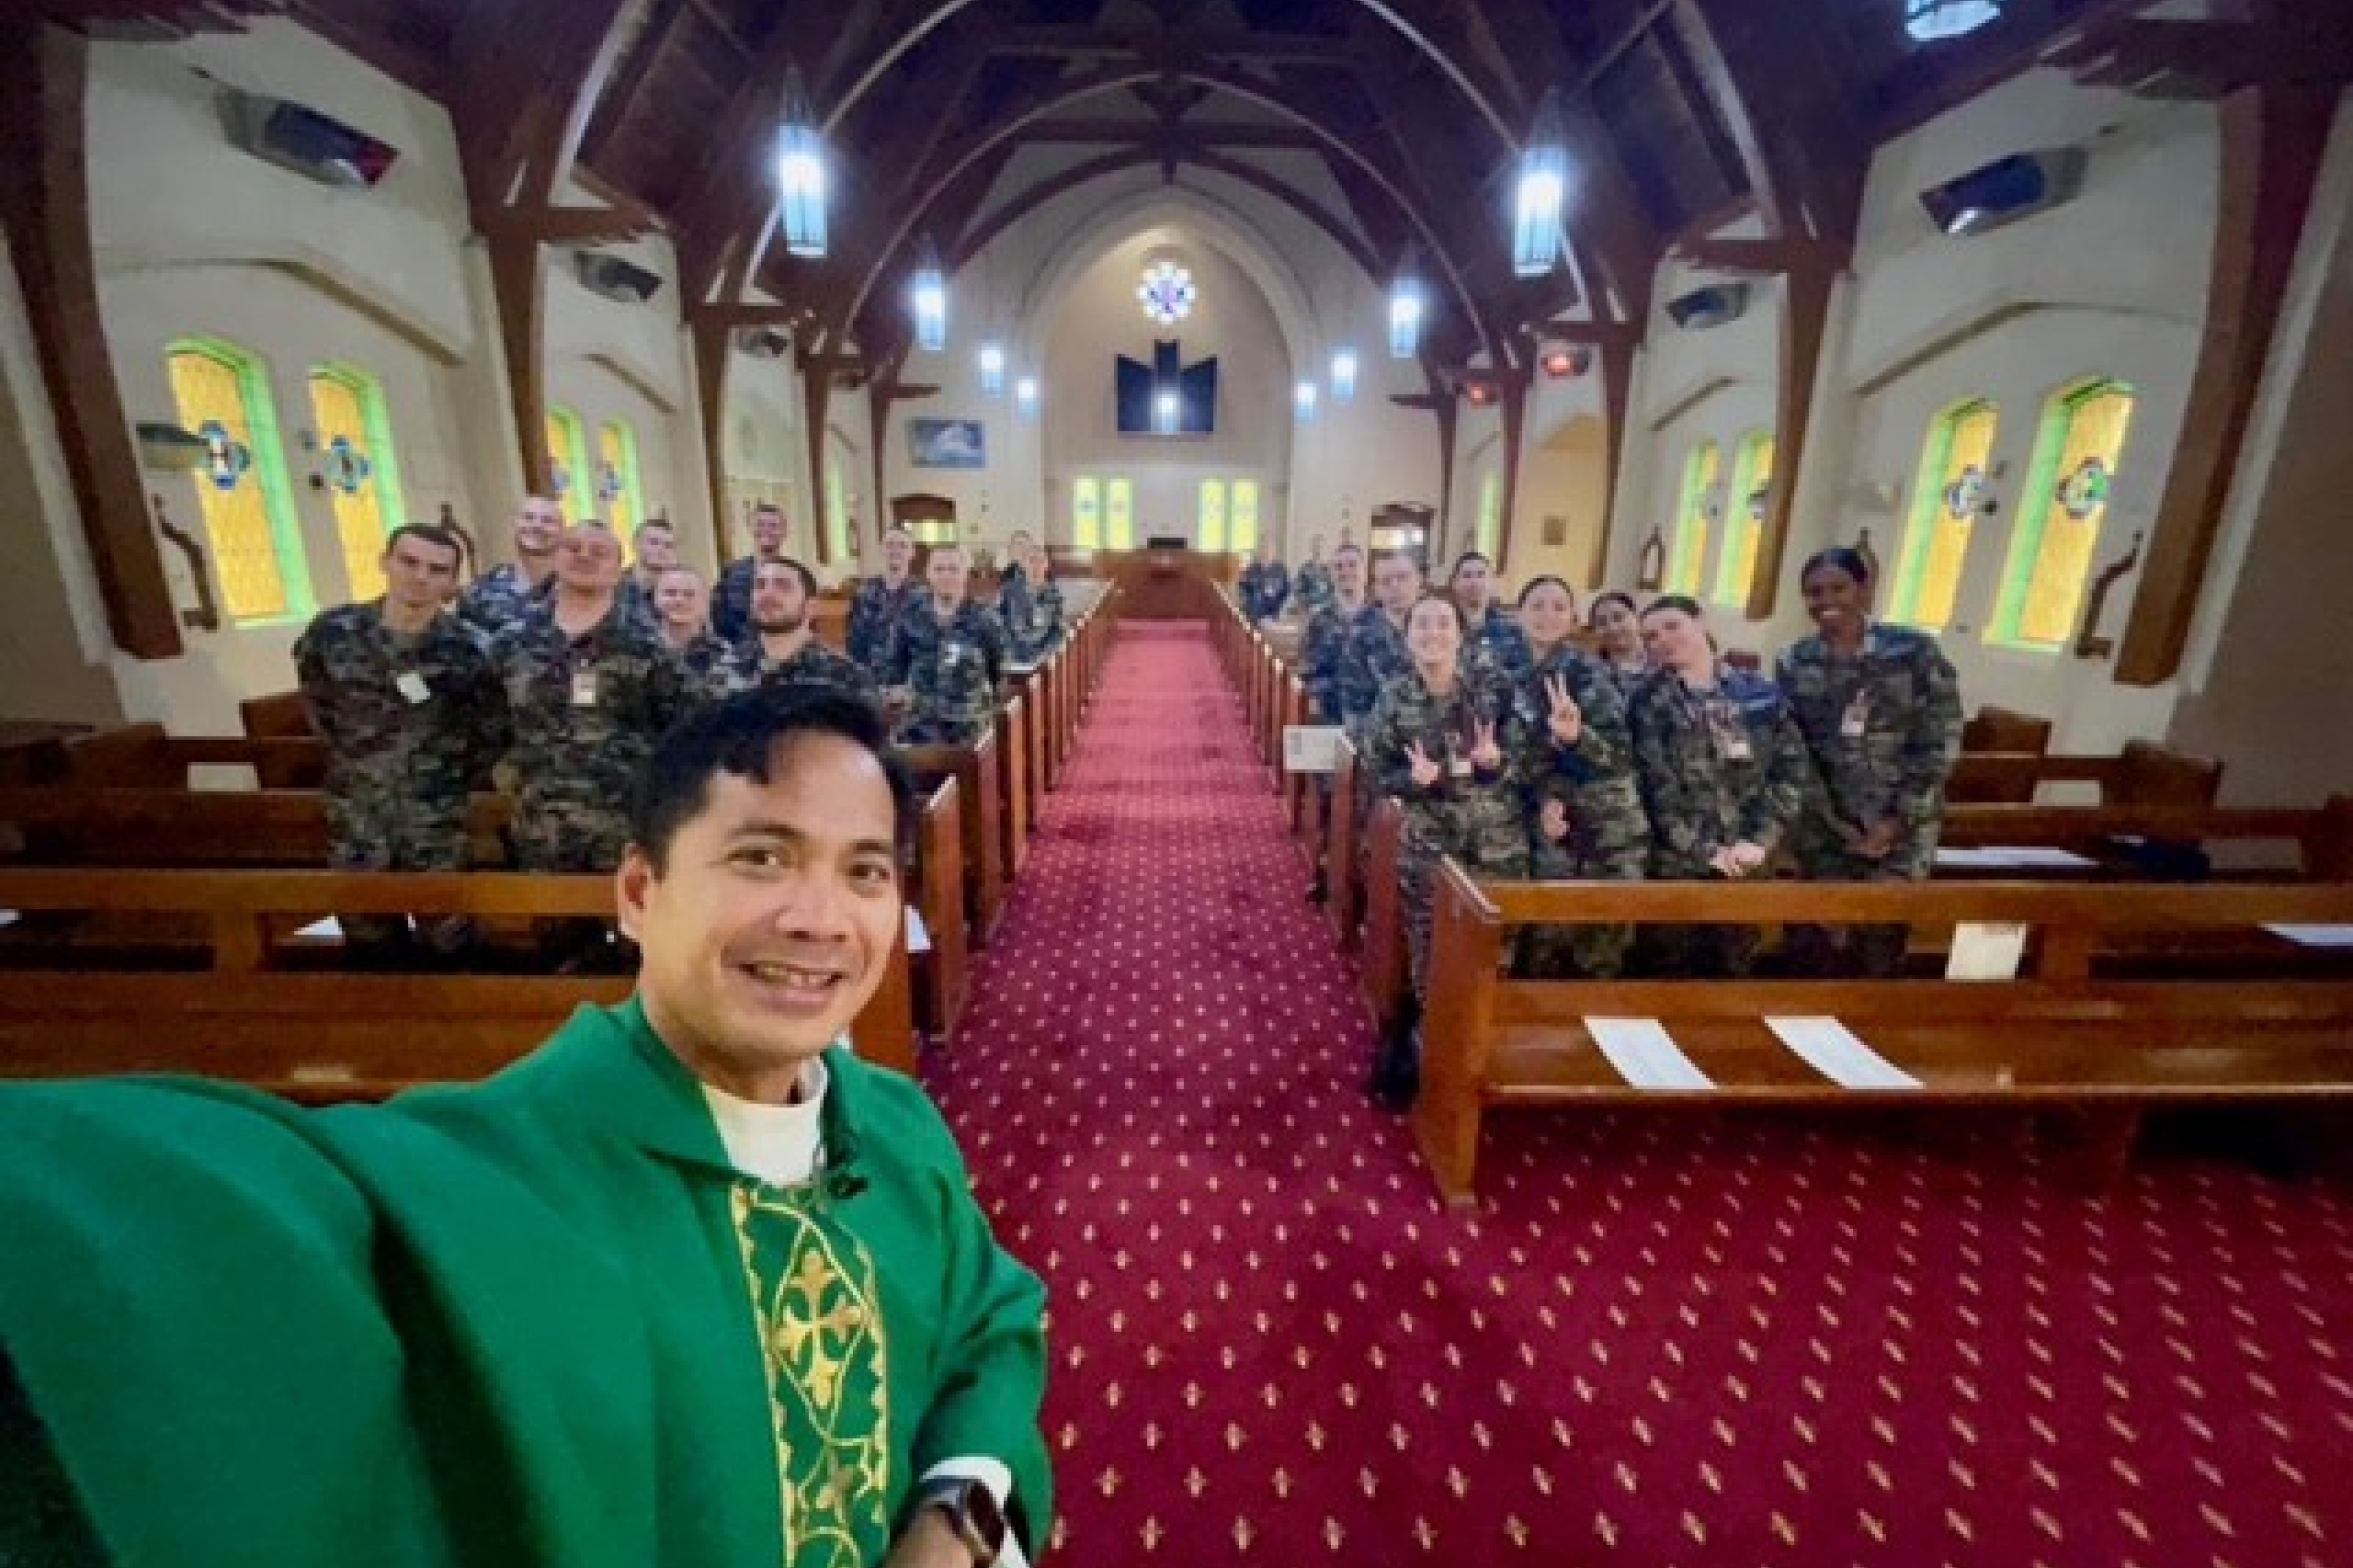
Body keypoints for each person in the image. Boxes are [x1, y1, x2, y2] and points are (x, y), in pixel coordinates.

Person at [0, 690, 1054, 1568]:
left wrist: (956, 1509)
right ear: (638, 890)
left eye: (864, 870)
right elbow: (147, 1230)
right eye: (762, 856)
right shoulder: (480, 1178)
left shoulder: (896, 1123)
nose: (819, 916)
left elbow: (990, 1317)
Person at [293, 524, 507, 961]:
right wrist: (362, 760)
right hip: (357, 812)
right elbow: (319, 703)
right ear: (385, 562)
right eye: (409, 562)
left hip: (435, 816)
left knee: (447, 936)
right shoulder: (334, 633)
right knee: (366, 933)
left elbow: (492, 729)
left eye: (437, 569)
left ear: (451, 581)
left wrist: (444, 776)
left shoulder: (471, 648)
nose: (420, 577)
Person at [1360, 594, 1527, 1108]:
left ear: (1460, 633)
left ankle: (1486, 1056)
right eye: (1422, 624)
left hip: (1495, 843)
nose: (1433, 632)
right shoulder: (1395, 696)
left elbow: (1528, 760)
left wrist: (1496, 762)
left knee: (1497, 952)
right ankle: (1436, 1061)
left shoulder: (1495, 688)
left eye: (1443, 623)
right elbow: (1374, 769)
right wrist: (1410, 782)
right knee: (1431, 954)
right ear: (1407, 635)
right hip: (1429, 846)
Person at [1776, 547, 1964, 976]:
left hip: (1901, 825)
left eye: (1838, 588)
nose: (1826, 601)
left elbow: (1939, 741)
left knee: (1878, 946)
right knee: (1814, 947)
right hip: (1824, 828)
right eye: (1814, 592)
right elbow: (1794, 747)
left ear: (1863, 589)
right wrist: (1830, 820)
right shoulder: (1795, 660)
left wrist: (1897, 819)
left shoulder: (1913, 652)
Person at [492, 523, 694, 892]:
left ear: (618, 569)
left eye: (599, 552)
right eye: (574, 548)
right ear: (557, 558)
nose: (584, 557)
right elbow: (488, 723)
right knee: (551, 923)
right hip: (540, 824)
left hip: (625, 823)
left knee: (631, 924)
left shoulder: (646, 646)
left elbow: (683, 732)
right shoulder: (513, 642)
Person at [1626, 595, 1809, 977]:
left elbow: (1790, 772)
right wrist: (1704, 851)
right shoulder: (1645, 702)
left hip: (1748, 859)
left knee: (1732, 971)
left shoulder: (1759, 694)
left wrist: (1760, 840)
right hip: (1677, 864)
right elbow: (1654, 788)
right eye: (1651, 636)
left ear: (1700, 622)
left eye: (1673, 626)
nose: (1663, 640)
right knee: (1663, 973)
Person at [1508, 576, 1648, 980]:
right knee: (1546, 943)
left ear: (1573, 618)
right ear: (1519, 614)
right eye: (1537, 605)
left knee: (1598, 951)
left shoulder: (1588, 673)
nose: (1547, 615)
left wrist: (1576, 737)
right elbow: (1526, 756)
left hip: (1605, 828)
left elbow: (1619, 754)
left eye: (1558, 606)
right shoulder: (1517, 674)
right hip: (1555, 827)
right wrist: (1545, 797)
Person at [883, 543, 1008, 747]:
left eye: (953, 569)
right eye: (939, 569)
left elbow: (997, 673)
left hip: (970, 727)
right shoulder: (909, 616)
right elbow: (896, 669)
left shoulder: (985, 618)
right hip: (920, 727)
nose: (946, 575)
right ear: (928, 573)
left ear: (965, 574)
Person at [714, 556, 880, 709]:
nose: (767, 593)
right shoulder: (723, 670)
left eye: (783, 586)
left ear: (811, 607)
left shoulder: (846, 679)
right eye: (760, 585)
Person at [1337, 550, 1421, 734]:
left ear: (1418, 580)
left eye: (1402, 577)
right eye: (1386, 581)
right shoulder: (1360, 637)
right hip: (1382, 739)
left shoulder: (1437, 628)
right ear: (1376, 589)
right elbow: (1354, 709)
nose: (1395, 586)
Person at [457, 493, 564, 635]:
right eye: (528, 518)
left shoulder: (578, 589)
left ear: (562, 533)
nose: (537, 525)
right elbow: (464, 643)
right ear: (513, 527)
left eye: (548, 520)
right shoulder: (481, 591)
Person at [1301, 542, 1368, 726]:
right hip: (1330, 716)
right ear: (1331, 574)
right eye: (1339, 567)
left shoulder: (1381, 617)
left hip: (1373, 719)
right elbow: (1309, 670)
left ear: (1365, 570)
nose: (1346, 572)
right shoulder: (1318, 621)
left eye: (1352, 565)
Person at [848, 527, 924, 676]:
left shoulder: (926, 593)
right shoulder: (864, 592)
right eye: (890, 545)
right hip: (872, 678)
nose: (895, 550)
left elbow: (932, 643)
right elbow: (855, 641)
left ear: (912, 552)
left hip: (913, 679)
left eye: (902, 545)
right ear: (881, 550)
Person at [713, 503, 790, 643]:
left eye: (773, 526)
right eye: (760, 525)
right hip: (739, 648)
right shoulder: (731, 573)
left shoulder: (795, 574)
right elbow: (719, 617)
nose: (766, 530)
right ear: (751, 528)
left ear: (784, 532)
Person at [1449, 551, 1530, 679]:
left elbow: (1523, 674)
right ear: (1455, 584)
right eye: (1467, 576)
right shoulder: (1442, 627)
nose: (1474, 582)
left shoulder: (1512, 629)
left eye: (1481, 575)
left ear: (1492, 582)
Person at [653, 564, 730, 683]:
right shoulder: (638, 651)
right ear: (655, 599)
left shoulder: (725, 653)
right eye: (670, 593)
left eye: (689, 594)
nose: (679, 600)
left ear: (705, 602)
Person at [998, 540, 1063, 664]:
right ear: (1024, 565)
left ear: (1047, 565)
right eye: (1032, 560)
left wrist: (1048, 651)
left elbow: (1057, 629)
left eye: (1041, 561)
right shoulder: (1011, 590)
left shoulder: (1053, 593)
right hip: (1016, 657)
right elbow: (1017, 633)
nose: (1037, 566)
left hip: (1042, 656)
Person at [1587, 591, 1652, 695]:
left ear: (1637, 617)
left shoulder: (1663, 658)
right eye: (1602, 623)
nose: (1612, 628)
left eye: (1618, 617)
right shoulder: (1591, 673)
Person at [1235, 539, 1290, 622]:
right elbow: (1242, 589)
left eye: (1270, 549)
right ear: (1260, 551)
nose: (1267, 552)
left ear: (1274, 551)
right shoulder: (1251, 569)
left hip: (1273, 614)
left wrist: (1282, 609)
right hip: (1253, 615)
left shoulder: (1281, 569)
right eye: (1264, 549)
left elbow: (1286, 592)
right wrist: (1243, 601)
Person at [1291, 532, 1336, 617]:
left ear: (1325, 549)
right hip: (1307, 612)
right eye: (1316, 547)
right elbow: (1298, 592)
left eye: (1321, 547)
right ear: (1311, 549)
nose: (1318, 550)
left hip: (1325, 613)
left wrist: (1320, 607)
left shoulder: (1330, 571)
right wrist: (1308, 607)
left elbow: (1334, 594)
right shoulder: (1304, 569)